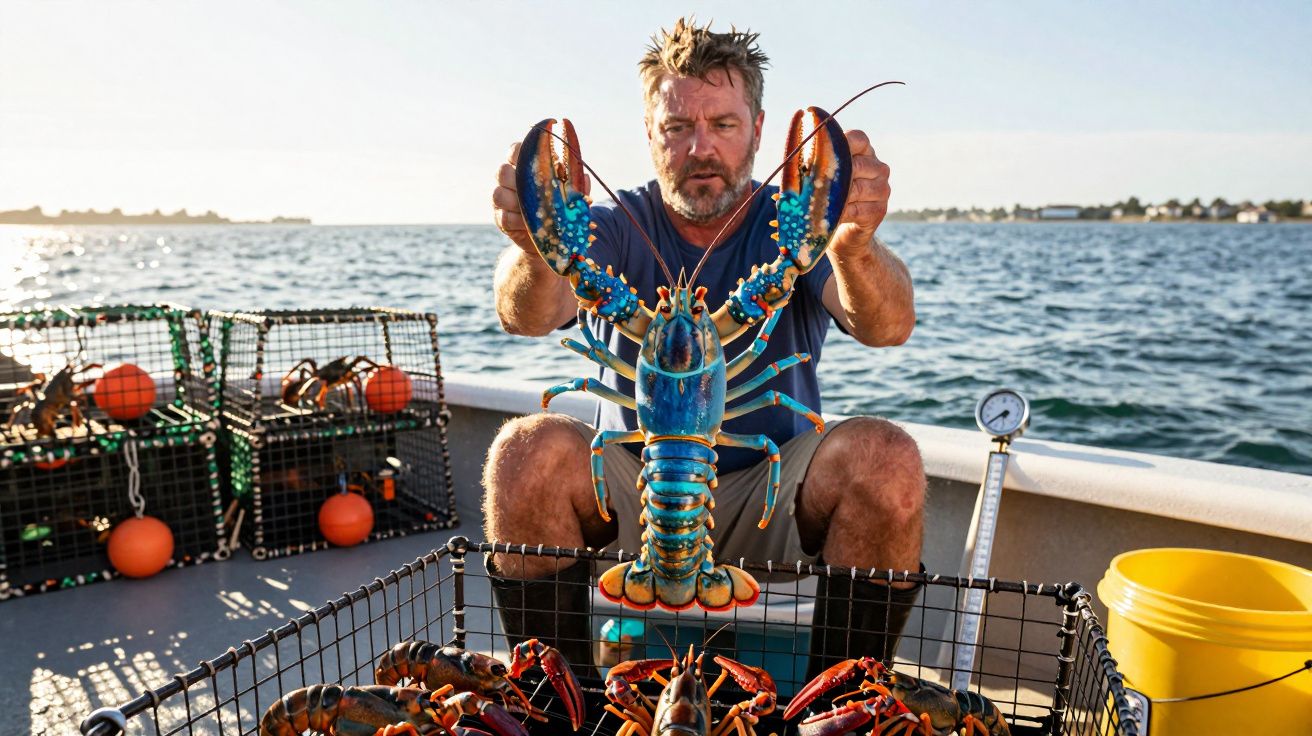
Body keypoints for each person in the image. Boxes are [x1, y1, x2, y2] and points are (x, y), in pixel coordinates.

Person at [486, 17, 925, 676]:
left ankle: (840, 703)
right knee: (523, 454)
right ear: (649, 133)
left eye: (722, 124)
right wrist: (535, 248)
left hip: (768, 495)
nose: (701, 148)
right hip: (636, 491)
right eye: (676, 127)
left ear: (757, 126)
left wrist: (853, 245)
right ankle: (558, 705)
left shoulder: (794, 227)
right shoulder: (610, 227)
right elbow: (527, 313)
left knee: (887, 460)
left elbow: (886, 326)